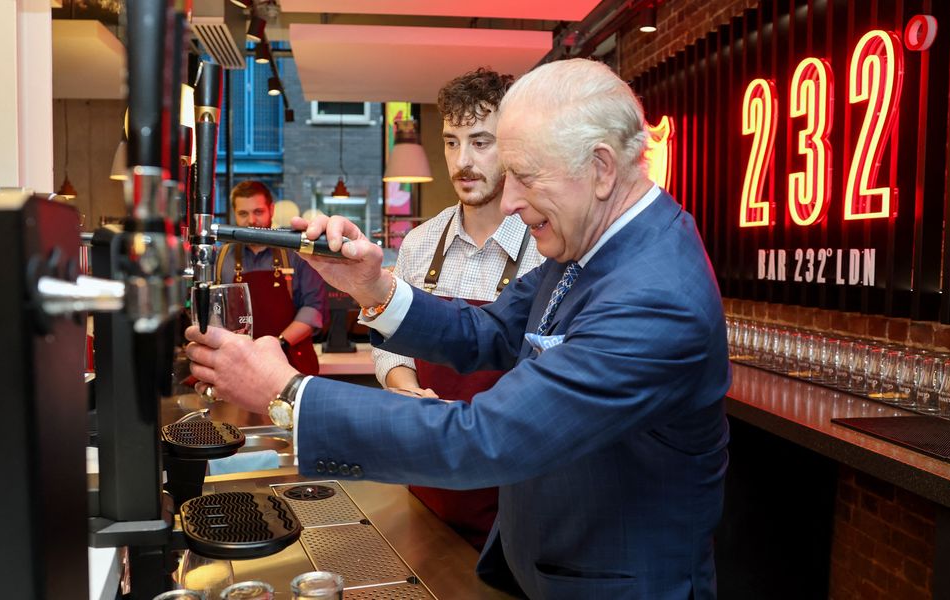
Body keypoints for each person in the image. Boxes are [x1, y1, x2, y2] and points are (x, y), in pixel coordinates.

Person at [186, 59, 730, 599]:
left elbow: (489, 436)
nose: (512, 200)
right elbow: (488, 331)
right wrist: (371, 286)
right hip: (539, 564)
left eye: (525, 175)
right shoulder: (589, 245)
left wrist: (286, 394)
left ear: (602, 168)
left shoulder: (656, 295)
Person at [374, 67, 544, 550]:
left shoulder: (544, 244)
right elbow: (392, 346)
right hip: (427, 478)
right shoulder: (420, 242)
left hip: (511, 488)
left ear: (512, 144)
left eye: (481, 142)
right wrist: (407, 391)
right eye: (451, 142)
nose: (462, 161)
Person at [215, 180, 327, 375]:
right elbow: (215, 312)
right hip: (238, 365)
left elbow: (314, 308)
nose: (251, 220)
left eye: (258, 212)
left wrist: (277, 344)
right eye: (243, 213)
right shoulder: (222, 258)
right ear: (234, 213)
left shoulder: (296, 253)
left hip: (291, 362)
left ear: (271, 210)